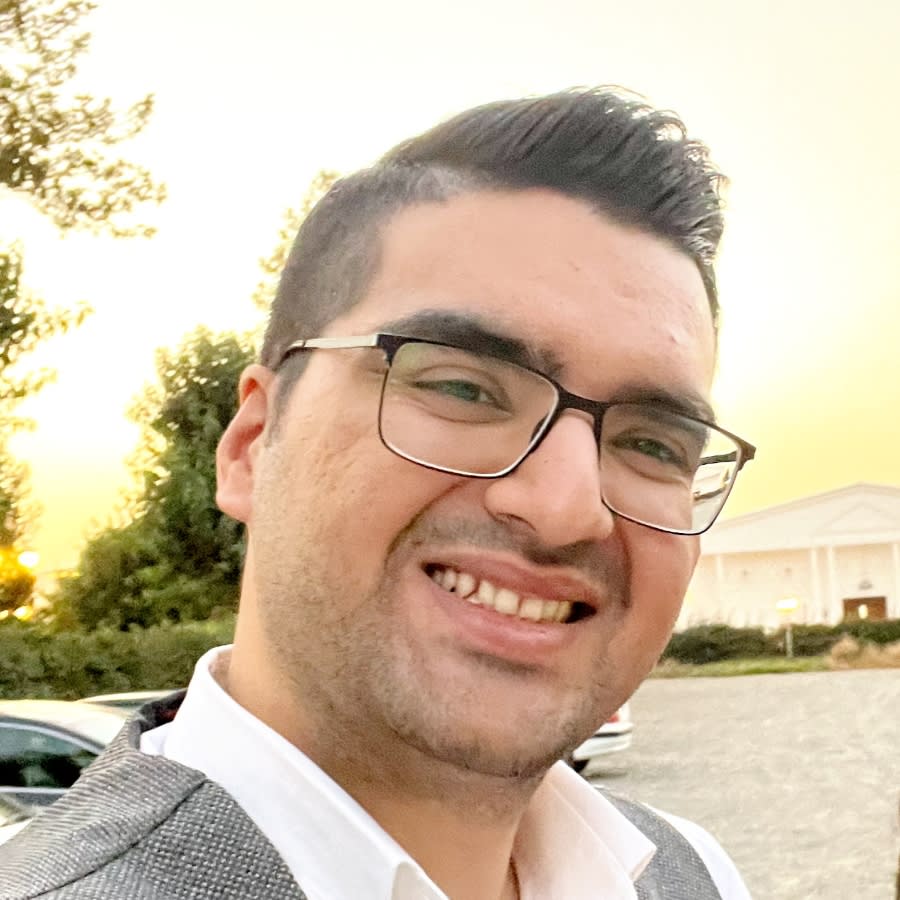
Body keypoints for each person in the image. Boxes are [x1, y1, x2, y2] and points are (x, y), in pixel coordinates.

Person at [0, 88, 756, 899]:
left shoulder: (694, 873)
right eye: (464, 389)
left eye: (653, 444)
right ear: (252, 447)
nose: (567, 508)